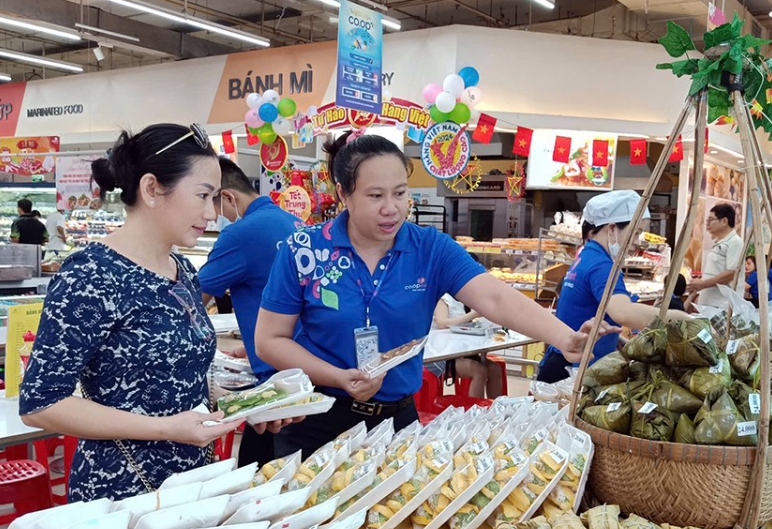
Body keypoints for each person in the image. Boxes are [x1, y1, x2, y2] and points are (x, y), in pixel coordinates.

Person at [256, 133, 609, 457]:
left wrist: (564, 337)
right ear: (343, 194)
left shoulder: (430, 248)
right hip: (316, 423)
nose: (391, 207)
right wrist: (338, 377)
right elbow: (269, 340)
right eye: (375, 195)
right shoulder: (303, 250)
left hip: (397, 426)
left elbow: (495, 298)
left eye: (400, 192)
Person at [19, 123, 294, 502]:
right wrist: (165, 429)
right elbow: (41, 404)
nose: (212, 214)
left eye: (215, 198)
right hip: (122, 491)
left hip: (194, 483)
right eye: (201, 196)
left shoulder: (182, 270)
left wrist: (251, 403)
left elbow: (177, 378)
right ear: (151, 189)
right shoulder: (91, 274)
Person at [198, 157, 303, 466]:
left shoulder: (239, 234)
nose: (209, 214)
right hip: (302, 363)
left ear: (227, 196)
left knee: (263, 474)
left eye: (209, 201)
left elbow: (191, 300)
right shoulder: (294, 222)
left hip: (276, 382)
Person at [536, 190, 688, 384]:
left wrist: (623, 344)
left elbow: (592, 315)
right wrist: (683, 318)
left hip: (564, 362)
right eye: (635, 232)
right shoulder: (602, 265)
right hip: (572, 371)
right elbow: (622, 313)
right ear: (612, 229)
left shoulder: (588, 255)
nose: (636, 241)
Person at [431, 294, 505, 399]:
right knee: (479, 371)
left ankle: (495, 409)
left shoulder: (465, 299)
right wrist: (473, 315)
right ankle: (476, 412)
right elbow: (442, 323)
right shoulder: (444, 299)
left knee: (495, 369)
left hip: (462, 351)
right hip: (442, 355)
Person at [687, 204, 744, 307]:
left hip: (722, 306)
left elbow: (731, 273)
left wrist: (703, 284)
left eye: (710, 220)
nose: (707, 224)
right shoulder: (718, 242)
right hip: (711, 304)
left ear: (724, 221)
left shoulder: (735, 242)